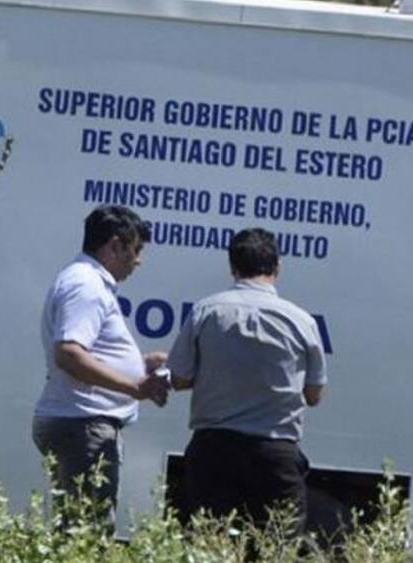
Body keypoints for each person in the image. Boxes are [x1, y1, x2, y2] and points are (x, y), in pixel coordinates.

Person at [167, 228, 327, 534]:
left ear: (232, 267)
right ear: (277, 267)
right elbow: (314, 394)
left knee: (212, 544)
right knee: (277, 547)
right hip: (275, 453)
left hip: (213, 450)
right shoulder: (301, 321)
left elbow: (180, 378)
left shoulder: (206, 311)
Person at [32, 205, 169, 525]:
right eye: (136, 250)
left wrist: (141, 364)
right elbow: (70, 353)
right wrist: (135, 387)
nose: (139, 260)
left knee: (81, 527)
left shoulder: (85, 281)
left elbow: (84, 351)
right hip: (84, 423)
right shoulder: (87, 285)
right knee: (87, 531)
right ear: (115, 245)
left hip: (81, 421)